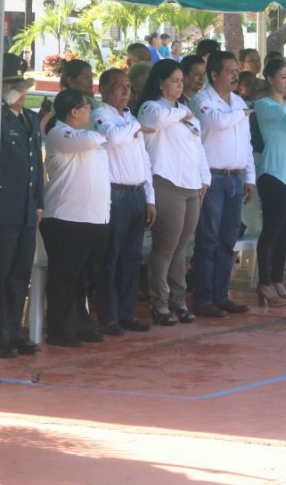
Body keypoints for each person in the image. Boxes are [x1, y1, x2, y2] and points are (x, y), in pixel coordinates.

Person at [0, 54, 44, 358]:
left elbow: (34, 167)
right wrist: (11, 94)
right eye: (16, 86)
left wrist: (39, 202)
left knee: (19, 275)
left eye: (23, 86)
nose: (23, 92)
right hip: (0, 207)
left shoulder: (28, 119)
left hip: (26, 209)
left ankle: (13, 332)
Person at [139, 59, 210, 326]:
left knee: (182, 248)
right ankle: (159, 302)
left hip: (191, 185)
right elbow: (157, 120)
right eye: (174, 80)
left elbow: (198, 146)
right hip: (166, 182)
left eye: (182, 81)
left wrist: (205, 178)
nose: (180, 85)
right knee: (165, 247)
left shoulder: (185, 111)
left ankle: (178, 300)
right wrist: (183, 114)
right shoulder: (151, 107)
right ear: (160, 82)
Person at [40, 88, 111, 347]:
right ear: (73, 111)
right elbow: (92, 139)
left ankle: (80, 323)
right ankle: (60, 328)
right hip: (67, 218)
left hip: (94, 217)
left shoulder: (84, 136)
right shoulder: (59, 133)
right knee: (65, 277)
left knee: (83, 278)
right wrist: (105, 132)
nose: (90, 111)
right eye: (86, 106)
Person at [190, 51, 255, 318]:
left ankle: (221, 295)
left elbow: (246, 143)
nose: (235, 75)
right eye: (229, 71)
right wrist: (242, 113)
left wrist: (249, 177)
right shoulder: (202, 100)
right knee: (208, 240)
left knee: (227, 240)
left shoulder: (238, 102)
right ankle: (203, 298)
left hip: (235, 177)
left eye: (237, 70)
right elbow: (214, 122)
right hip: (212, 179)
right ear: (214, 75)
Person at [91, 68, 156, 335]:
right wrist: (136, 126)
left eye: (129, 86)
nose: (126, 92)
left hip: (137, 192)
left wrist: (150, 198)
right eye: (119, 86)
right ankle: (109, 316)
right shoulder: (100, 115)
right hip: (115, 194)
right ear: (104, 89)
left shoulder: (129, 117)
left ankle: (127, 313)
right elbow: (115, 138)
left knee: (132, 257)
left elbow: (144, 160)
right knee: (112, 257)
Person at [254, 59, 286, 307]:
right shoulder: (264, 104)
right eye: (282, 77)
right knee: (272, 230)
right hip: (274, 174)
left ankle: (277, 279)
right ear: (270, 79)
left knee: (285, 232)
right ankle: (264, 281)